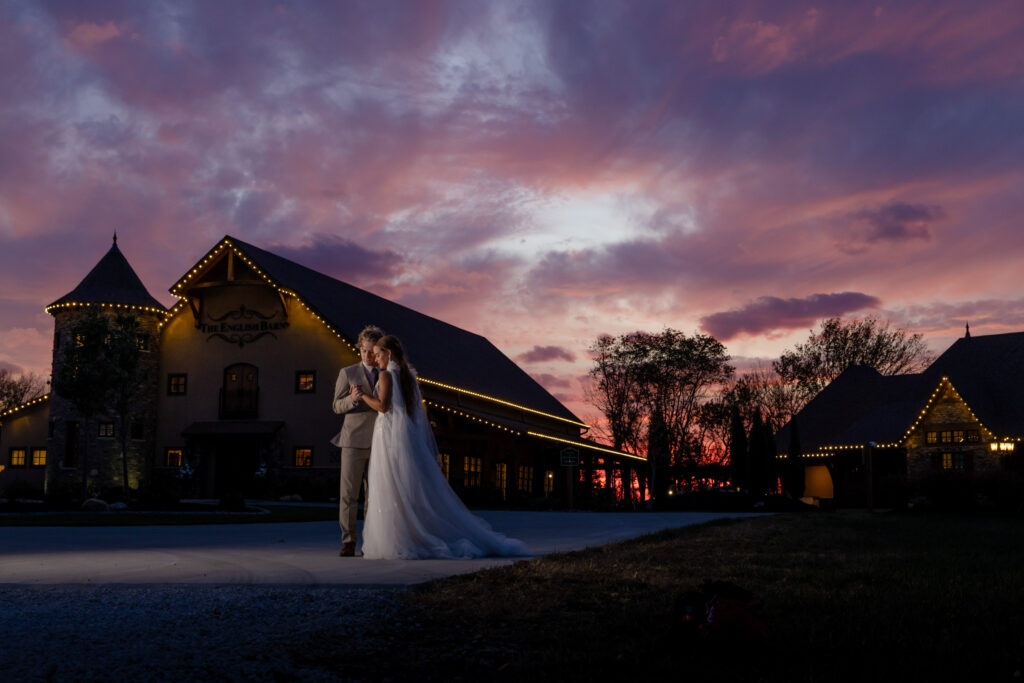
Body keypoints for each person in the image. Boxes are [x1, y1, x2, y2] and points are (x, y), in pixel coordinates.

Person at [354, 335, 529, 560]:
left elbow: (383, 406)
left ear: (388, 354)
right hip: (406, 435)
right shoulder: (408, 376)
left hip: (388, 435)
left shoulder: (387, 375)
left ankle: (401, 538)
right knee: (409, 488)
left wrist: (363, 395)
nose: (376, 360)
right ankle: (410, 533)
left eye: (378, 355)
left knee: (391, 485)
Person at [331, 325, 384, 557]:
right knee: (349, 494)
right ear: (359, 349)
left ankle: (370, 541)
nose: (368, 356)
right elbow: (335, 406)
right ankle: (349, 541)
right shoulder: (348, 372)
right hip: (352, 441)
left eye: (372, 351)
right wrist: (351, 400)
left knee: (374, 495)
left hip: (380, 441)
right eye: (364, 351)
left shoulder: (387, 373)